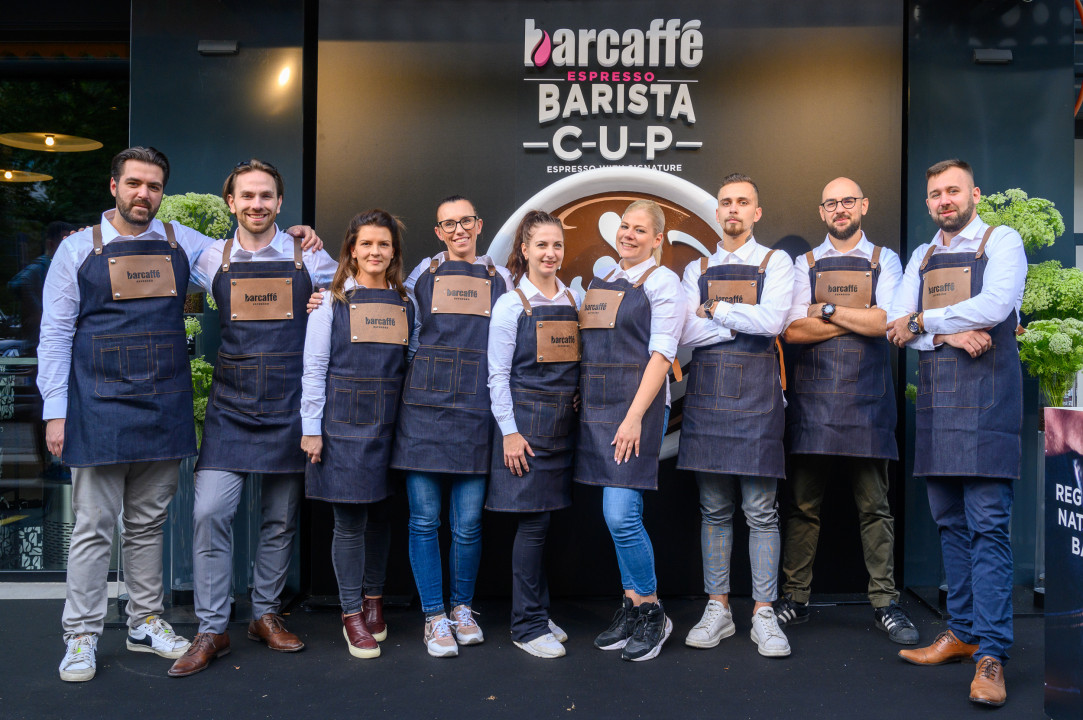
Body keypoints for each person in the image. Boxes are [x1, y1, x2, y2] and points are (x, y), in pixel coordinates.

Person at [39, 147, 208, 682]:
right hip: (98, 405)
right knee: (93, 526)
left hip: (163, 403)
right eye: (134, 183)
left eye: (153, 186)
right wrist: (55, 412)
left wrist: (297, 242)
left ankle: (144, 622)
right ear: (114, 186)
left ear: (162, 192)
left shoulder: (183, 242)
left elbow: (243, 265)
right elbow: (54, 333)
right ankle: (81, 634)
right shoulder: (77, 248)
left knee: (148, 523)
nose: (143, 194)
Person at [168, 159, 333, 677]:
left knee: (280, 519)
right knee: (209, 512)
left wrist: (329, 300)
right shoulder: (209, 255)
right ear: (230, 202)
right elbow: (151, 228)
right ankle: (212, 628)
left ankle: (265, 614)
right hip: (231, 404)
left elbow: (356, 292)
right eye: (247, 196)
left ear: (280, 203)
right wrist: (89, 231)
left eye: (266, 196)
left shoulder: (310, 256)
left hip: (290, 402)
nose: (257, 204)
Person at [887, 158, 1026, 708]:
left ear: (974, 194)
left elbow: (996, 306)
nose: (944, 200)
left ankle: (992, 654)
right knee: (949, 524)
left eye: (953, 190)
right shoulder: (922, 256)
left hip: (989, 407)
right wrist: (948, 334)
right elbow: (896, 324)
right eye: (936, 194)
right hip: (939, 407)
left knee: (988, 528)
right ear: (928, 202)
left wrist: (927, 322)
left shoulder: (1002, 240)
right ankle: (963, 631)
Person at [773, 177, 918, 645]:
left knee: (876, 508)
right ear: (822, 212)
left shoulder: (885, 260)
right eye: (832, 203)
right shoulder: (804, 263)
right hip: (813, 404)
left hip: (868, 403)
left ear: (864, 206)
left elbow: (886, 322)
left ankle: (885, 604)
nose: (840, 209)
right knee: (802, 507)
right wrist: (859, 316)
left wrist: (827, 309)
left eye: (848, 201)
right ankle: (795, 598)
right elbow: (793, 331)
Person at [389, 195, 512, 657]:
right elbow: (402, 328)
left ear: (479, 225)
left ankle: (462, 609)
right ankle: (434, 616)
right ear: (438, 232)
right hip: (423, 410)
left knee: (468, 524)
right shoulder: (421, 275)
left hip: (476, 410)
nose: (458, 230)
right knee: (424, 521)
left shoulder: (503, 278)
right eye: (448, 224)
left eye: (466, 221)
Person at [677, 173, 794, 658]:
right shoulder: (696, 266)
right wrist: (738, 322)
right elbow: (684, 333)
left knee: (761, 513)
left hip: (758, 402)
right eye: (726, 201)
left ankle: (764, 614)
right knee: (714, 511)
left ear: (756, 213)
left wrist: (715, 311)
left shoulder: (776, 262)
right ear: (717, 211)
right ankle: (718, 609)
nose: (732, 209)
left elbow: (773, 322)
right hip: (706, 402)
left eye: (742, 202)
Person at [299, 209, 412, 660]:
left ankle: (373, 600)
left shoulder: (407, 302)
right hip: (341, 424)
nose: (375, 252)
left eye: (383, 244)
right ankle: (351, 614)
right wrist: (311, 429)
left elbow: (412, 360)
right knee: (349, 523)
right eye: (366, 243)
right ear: (351, 249)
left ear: (394, 252)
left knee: (381, 515)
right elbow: (314, 369)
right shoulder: (329, 302)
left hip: (392, 423)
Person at [578, 199, 684, 662]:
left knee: (620, 514)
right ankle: (633, 605)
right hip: (599, 408)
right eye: (625, 226)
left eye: (640, 230)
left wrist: (634, 416)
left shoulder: (663, 282)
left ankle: (654, 611)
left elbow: (662, 356)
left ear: (657, 239)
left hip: (637, 409)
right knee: (617, 516)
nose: (629, 235)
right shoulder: (603, 279)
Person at [486, 210, 578, 659]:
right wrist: (509, 433)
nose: (550, 253)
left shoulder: (574, 298)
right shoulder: (511, 304)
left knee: (543, 524)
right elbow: (497, 376)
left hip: (561, 429)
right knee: (533, 525)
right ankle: (526, 625)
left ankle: (537, 612)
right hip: (525, 432)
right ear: (524, 250)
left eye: (557, 245)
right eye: (541, 244)